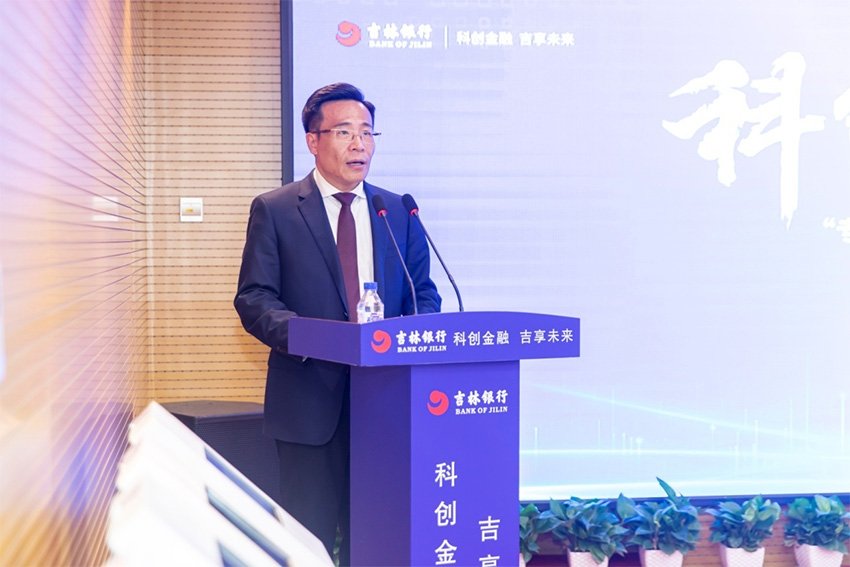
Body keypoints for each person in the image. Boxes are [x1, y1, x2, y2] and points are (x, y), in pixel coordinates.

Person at [234, 83, 441, 565]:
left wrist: (414, 336)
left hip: (386, 406)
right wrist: (312, 338)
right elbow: (254, 298)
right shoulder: (277, 209)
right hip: (309, 405)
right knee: (308, 543)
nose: (359, 144)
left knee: (379, 541)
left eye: (367, 133)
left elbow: (423, 295)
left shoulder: (397, 211)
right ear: (313, 140)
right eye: (345, 132)